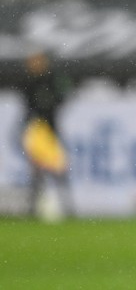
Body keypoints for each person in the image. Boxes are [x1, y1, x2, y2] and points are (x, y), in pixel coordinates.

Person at [21, 52, 75, 219]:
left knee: (58, 168)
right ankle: (33, 207)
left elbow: (62, 95)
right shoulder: (30, 82)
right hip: (37, 131)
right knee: (37, 171)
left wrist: (49, 105)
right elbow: (27, 107)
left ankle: (67, 207)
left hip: (49, 131)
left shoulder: (51, 79)